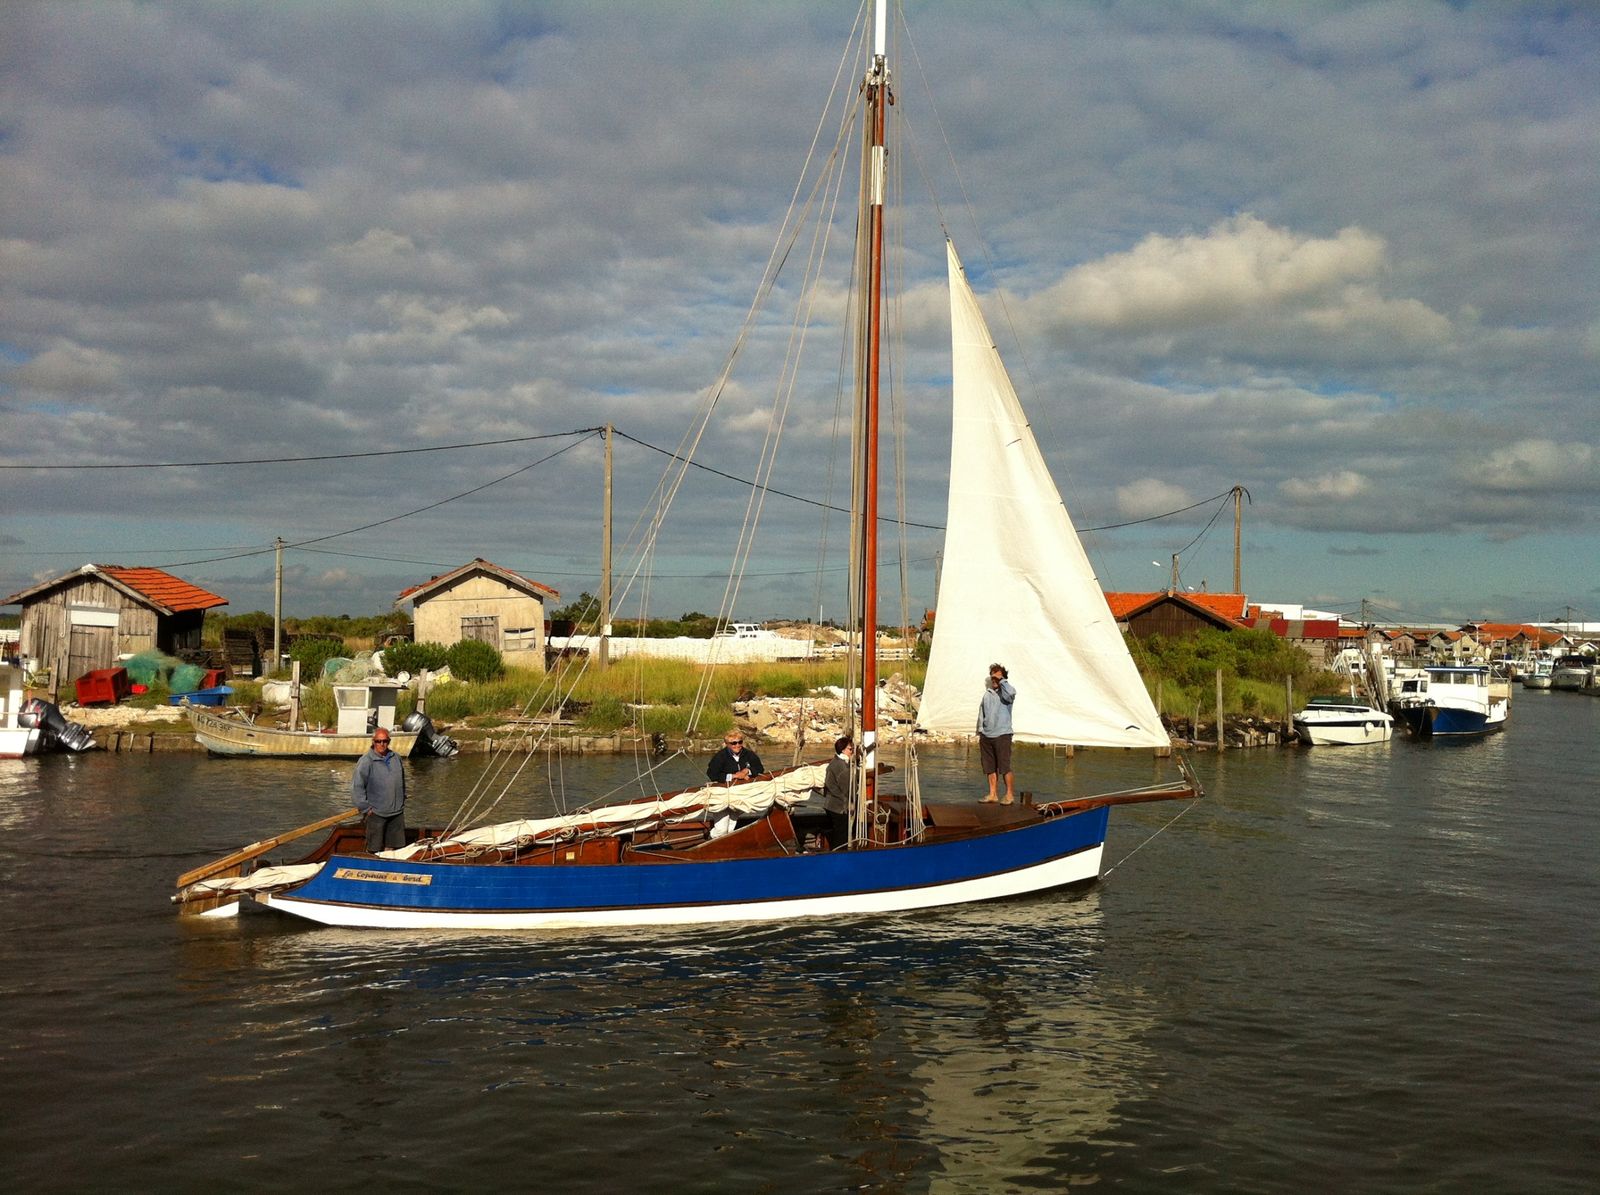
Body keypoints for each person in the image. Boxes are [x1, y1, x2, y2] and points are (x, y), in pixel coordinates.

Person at [352, 728, 407, 851]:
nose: (382, 744)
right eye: (378, 741)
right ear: (373, 742)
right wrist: (366, 808)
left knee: (393, 848)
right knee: (374, 848)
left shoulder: (396, 758)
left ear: (389, 741)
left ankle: (390, 868)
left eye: (385, 741)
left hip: (396, 812)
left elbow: (402, 781)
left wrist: (403, 799)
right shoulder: (366, 761)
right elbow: (357, 787)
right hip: (376, 813)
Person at [977, 662, 1016, 804]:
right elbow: (982, 713)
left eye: (997, 677)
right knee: (989, 767)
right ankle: (992, 794)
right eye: (992, 677)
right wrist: (981, 730)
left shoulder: (1007, 693)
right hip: (987, 735)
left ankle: (1009, 795)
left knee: (1004, 766)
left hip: (1002, 734)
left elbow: (1011, 693)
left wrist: (1002, 680)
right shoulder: (987, 695)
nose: (994, 680)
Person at [820, 734, 854, 851]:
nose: (852, 751)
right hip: (839, 807)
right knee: (841, 837)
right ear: (843, 750)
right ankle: (839, 857)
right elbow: (847, 789)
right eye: (850, 749)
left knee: (837, 832)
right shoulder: (843, 768)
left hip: (830, 805)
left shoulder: (835, 761)